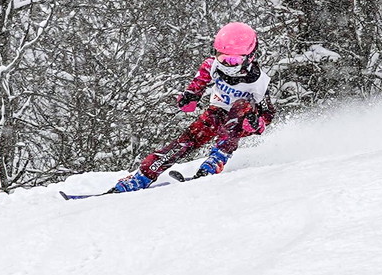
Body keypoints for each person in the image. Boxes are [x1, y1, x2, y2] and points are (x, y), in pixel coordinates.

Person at [110, 21, 275, 192]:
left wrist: (256, 123)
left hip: (241, 121)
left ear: (250, 57)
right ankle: (142, 176)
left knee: (241, 106)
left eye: (234, 61)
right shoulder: (212, 66)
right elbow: (200, 81)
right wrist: (190, 95)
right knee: (187, 140)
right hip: (217, 113)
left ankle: (215, 161)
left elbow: (268, 115)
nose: (227, 65)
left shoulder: (259, 83)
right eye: (222, 58)